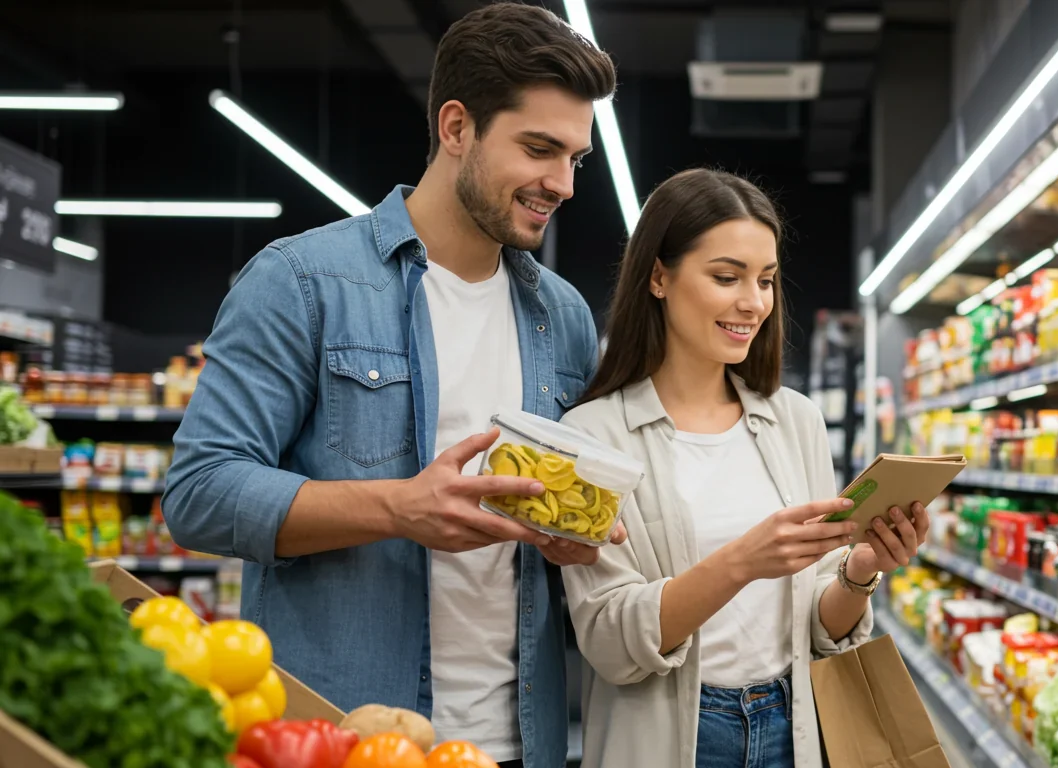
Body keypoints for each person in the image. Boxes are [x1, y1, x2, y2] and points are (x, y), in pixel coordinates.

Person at [161, 4, 619, 766]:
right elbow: (200, 493)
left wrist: (574, 539)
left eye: (576, 158)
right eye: (540, 149)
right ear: (455, 128)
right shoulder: (303, 282)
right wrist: (398, 509)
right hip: (346, 739)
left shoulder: (562, 317)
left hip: (522, 742)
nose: (562, 183)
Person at [559, 169, 931, 768]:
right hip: (674, 739)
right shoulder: (592, 438)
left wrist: (861, 569)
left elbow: (818, 625)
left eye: (765, 280)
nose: (753, 302)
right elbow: (608, 639)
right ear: (659, 275)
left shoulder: (796, 423)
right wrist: (742, 562)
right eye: (726, 277)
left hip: (793, 726)